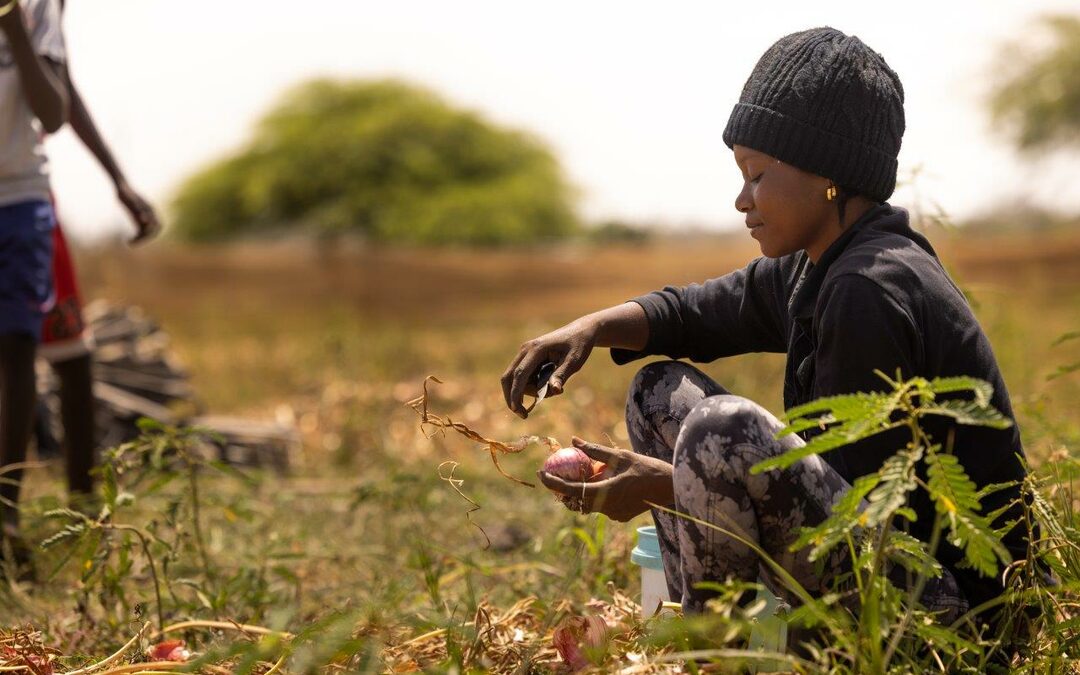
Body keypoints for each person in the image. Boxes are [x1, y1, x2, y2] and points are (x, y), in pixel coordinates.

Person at [501, 27, 1030, 624]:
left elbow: (864, 518)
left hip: (954, 614)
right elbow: (696, 312)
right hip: (874, 562)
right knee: (658, 394)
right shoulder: (818, 264)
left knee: (723, 429)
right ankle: (710, 625)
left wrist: (665, 485)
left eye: (756, 176)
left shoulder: (869, 289)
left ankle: (717, 652)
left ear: (827, 174)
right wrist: (591, 328)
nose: (741, 200)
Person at [34, 0, 160, 506]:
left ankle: (84, 509)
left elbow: (57, 89)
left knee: (66, 354)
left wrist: (118, 180)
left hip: (25, 198)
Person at [0, 0, 69, 564]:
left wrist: (12, 27)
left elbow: (53, 113)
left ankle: (6, 513)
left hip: (22, 197)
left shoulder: (40, 7)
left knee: (19, 347)